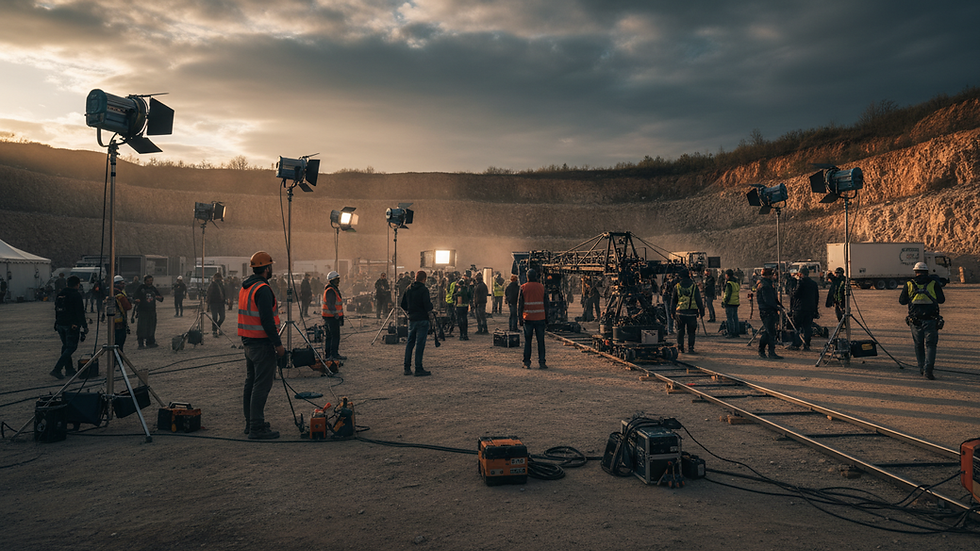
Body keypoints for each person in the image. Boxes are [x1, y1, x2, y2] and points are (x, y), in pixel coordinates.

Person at [238, 251, 285, 440]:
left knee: (251, 383)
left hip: (248, 342)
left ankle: (251, 423)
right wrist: (278, 344)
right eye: (270, 266)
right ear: (266, 268)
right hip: (261, 343)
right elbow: (267, 321)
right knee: (261, 385)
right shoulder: (262, 289)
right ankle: (257, 427)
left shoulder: (246, 287)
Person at [899, 262, 946, 380]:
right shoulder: (934, 283)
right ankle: (928, 370)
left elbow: (902, 301)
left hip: (915, 321)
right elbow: (941, 300)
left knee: (918, 345)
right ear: (927, 271)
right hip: (931, 320)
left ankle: (921, 368)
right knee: (931, 345)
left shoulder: (909, 284)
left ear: (915, 272)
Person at [51, 275, 88, 379]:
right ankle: (57, 369)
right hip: (72, 325)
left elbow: (57, 309)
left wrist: (56, 322)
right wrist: (84, 326)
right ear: (77, 284)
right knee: (71, 347)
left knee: (66, 346)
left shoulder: (61, 294)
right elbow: (80, 312)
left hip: (60, 324)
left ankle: (69, 369)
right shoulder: (76, 295)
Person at [400, 270, 433, 377]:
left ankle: (407, 368)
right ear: (424, 279)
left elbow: (403, 304)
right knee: (420, 344)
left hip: (412, 319)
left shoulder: (408, 288)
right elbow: (427, 306)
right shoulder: (424, 290)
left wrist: (410, 310)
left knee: (410, 343)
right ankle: (418, 368)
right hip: (422, 319)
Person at [518, 269, 548, 369]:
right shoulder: (542, 287)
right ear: (536, 276)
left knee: (528, 341)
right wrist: (547, 318)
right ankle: (542, 362)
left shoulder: (523, 287)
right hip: (540, 318)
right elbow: (546, 304)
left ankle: (527, 362)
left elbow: (520, 305)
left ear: (527, 277)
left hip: (528, 318)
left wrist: (520, 319)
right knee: (541, 341)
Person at [672, 269, 705, 354]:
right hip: (692, 313)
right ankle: (690, 348)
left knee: (680, 330)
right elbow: (699, 300)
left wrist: (672, 312)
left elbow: (673, 301)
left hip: (680, 313)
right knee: (691, 332)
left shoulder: (677, 286)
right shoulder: (694, 286)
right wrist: (702, 311)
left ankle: (680, 347)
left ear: (680, 276)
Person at [788, 267, 820, 351]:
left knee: (796, 327)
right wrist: (815, 309)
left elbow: (795, 294)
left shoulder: (800, 282)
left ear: (800, 274)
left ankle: (796, 343)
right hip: (810, 308)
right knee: (807, 327)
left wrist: (793, 287)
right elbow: (816, 297)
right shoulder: (813, 283)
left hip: (799, 308)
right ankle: (807, 344)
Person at [756, 268, 782, 360]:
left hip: (768, 310)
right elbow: (768, 300)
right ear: (769, 275)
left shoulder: (768, 284)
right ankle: (769, 351)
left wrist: (779, 305)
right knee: (770, 332)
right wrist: (776, 307)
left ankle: (764, 350)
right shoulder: (765, 285)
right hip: (767, 311)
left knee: (769, 332)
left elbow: (773, 298)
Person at [321, 271, 346, 361]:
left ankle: (328, 355)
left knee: (329, 336)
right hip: (331, 317)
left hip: (329, 316)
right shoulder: (331, 290)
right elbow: (330, 303)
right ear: (332, 281)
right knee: (334, 336)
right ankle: (333, 354)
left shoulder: (332, 289)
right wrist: (335, 313)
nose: (338, 282)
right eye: (337, 280)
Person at [134, 275, 163, 348]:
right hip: (143, 311)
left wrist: (156, 297)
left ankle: (150, 342)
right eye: (148, 281)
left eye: (151, 281)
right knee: (142, 327)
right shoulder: (141, 288)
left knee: (151, 327)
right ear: (145, 281)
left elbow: (161, 298)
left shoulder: (153, 289)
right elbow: (134, 297)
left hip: (151, 311)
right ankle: (140, 343)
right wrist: (137, 300)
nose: (150, 282)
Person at [112, 275, 132, 350]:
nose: (123, 285)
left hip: (112, 322)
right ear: (117, 284)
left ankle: (115, 359)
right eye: (122, 283)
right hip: (120, 322)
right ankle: (118, 359)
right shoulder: (120, 295)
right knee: (119, 344)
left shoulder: (110, 292)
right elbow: (128, 307)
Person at [452, 272, 472, 340]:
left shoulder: (458, 290)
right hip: (465, 306)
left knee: (459, 320)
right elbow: (470, 296)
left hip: (459, 307)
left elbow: (453, 296)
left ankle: (461, 335)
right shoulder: (467, 289)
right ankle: (465, 334)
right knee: (465, 320)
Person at [207, 272, 227, 337]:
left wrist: (225, 300)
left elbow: (224, 293)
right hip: (214, 303)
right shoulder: (212, 285)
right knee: (214, 317)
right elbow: (209, 294)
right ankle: (214, 331)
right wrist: (208, 303)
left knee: (222, 317)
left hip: (221, 303)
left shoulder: (222, 285)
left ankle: (217, 327)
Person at [722, 269, 740, 337]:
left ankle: (731, 332)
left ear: (727, 275)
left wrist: (724, 302)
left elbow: (727, 294)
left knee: (729, 319)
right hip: (736, 302)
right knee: (735, 318)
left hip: (729, 303)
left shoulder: (729, 284)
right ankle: (737, 332)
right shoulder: (736, 283)